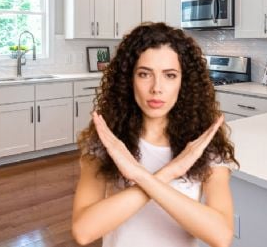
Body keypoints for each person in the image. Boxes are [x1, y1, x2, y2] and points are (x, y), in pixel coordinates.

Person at [72, 22, 239, 247]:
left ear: (184, 82)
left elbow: (221, 236)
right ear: (129, 79)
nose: (156, 88)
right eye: (144, 74)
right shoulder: (108, 142)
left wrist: (139, 176)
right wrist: (169, 172)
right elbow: (83, 231)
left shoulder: (202, 147)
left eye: (170, 75)